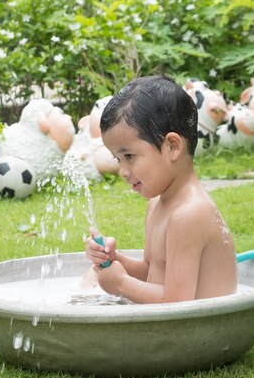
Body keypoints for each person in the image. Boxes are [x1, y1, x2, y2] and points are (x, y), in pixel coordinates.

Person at [84, 75, 237, 304]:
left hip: (204, 332)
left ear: (173, 147)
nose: (122, 171)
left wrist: (120, 284)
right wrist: (115, 260)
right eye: (118, 159)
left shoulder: (189, 214)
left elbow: (177, 302)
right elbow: (152, 273)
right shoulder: (156, 205)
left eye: (129, 156)